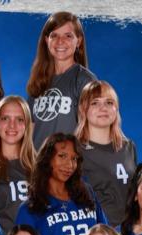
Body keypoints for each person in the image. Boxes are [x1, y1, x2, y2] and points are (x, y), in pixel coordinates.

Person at [15, 133, 107, 235]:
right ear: (47, 159)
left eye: (74, 158)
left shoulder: (87, 194)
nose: (69, 165)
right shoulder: (29, 209)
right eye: (62, 156)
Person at [26, 11, 96, 148]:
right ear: (46, 40)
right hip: (37, 160)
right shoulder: (39, 80)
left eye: (68, 36)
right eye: (54, 35)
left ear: (78, 41)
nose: (60, 41)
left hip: (66, 159)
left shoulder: (85, 80)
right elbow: (30, 128)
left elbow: (92, 131)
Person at [74, 80, 137, 226]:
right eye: (95, 103)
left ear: (116, 108)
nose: (103, 108)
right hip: (98, 231)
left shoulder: (128, 147)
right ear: (83, 109)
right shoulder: (75, 151)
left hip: (131, 230)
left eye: (109, 102)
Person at [0, 96, 36, 235]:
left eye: (19, 119)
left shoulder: (40, 168)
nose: (12, 125)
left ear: (27, 125)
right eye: (5, 118)